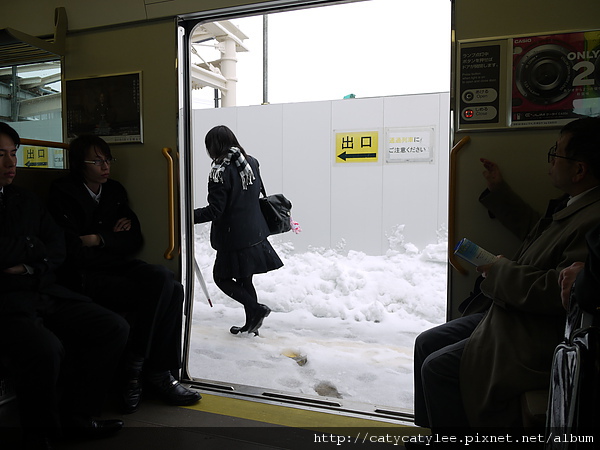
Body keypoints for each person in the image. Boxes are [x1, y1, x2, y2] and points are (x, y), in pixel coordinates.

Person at [412, 117, 600, 435]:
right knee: (426, 343)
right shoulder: (574, 206)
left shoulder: (592, 219)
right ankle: (432, 432)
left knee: (438, 367)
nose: (551, 159)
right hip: (508, 313)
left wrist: (499, 271)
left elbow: (560, 291)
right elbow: (538, 234)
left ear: (579, 170)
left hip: (530, 331)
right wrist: (499, 193)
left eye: (557, 152)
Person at [47, 135, 200, 415]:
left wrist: (95, 238)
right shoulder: (62, 193)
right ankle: (145, 372)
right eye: (97, 161)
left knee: (170, 284)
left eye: (107, 160)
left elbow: (133, 239)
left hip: (114, 265)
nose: (105, 166)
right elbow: (70, 250)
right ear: (79, 164)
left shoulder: (114, 191)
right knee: (159, 291)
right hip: (81, 274)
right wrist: (107, 238)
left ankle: (148, 367)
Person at [0, 123, 129, 449]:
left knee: (113, 326)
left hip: (41, 287)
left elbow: (56, 245)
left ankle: (79, 416)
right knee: (46, 349)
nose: (10, 163)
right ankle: (40, 434)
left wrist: (29, 260)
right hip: (6, 300)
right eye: (0, 155)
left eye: (13, 154)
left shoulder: (25, 200)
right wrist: (34, 249)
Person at [194, 125, 283, 335]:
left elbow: (216, 210)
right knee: (245, 279)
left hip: (233, 237)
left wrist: (187, 216)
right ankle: (252, 325)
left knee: (220, 278)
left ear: (213, 147)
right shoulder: (250, 162)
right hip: (254, 232)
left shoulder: (219, 170)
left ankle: (256, 309)